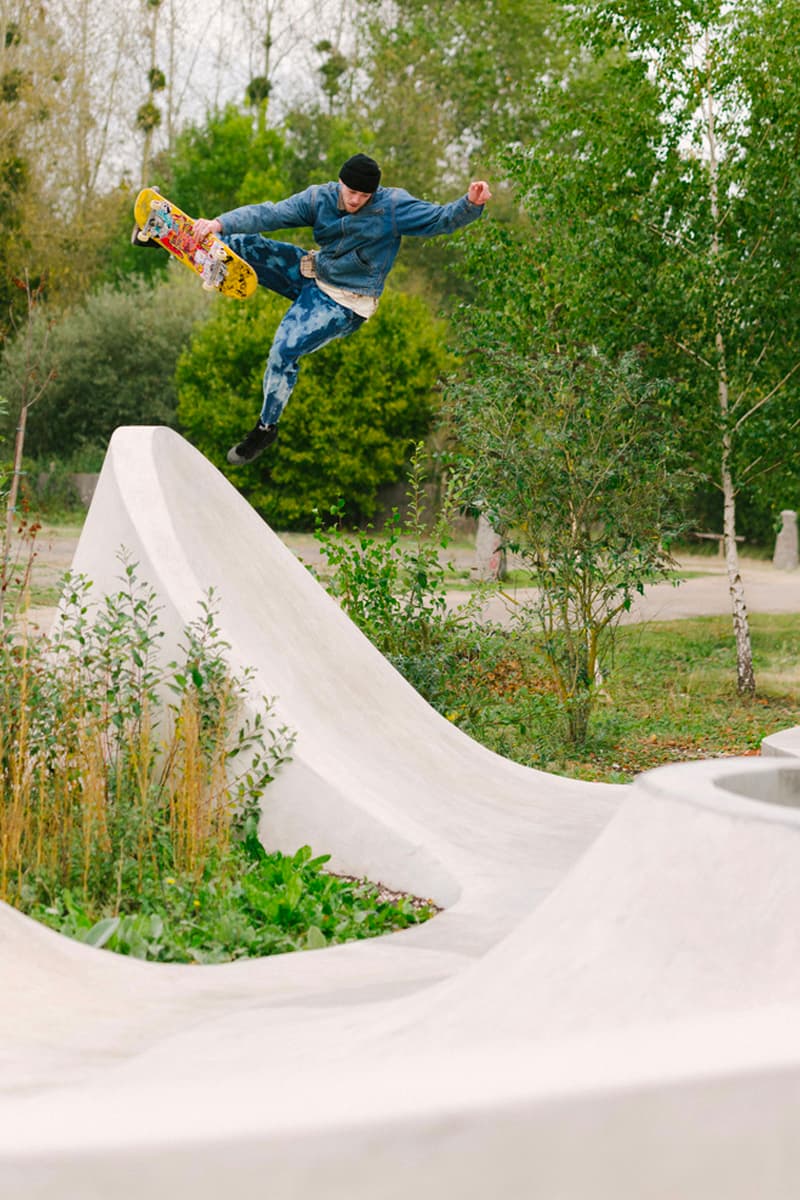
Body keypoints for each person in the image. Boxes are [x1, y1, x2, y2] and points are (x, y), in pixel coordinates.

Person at [190, 154, 492, 465]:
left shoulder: (391, 206)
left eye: (364, 196)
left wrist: (470, 204)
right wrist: (219, 222)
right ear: (340, 184)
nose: (356, 200)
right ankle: (181, 241)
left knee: (283, 350)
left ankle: (265, 428)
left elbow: (439, 220)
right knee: (244, 243)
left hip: (344, 304)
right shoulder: (318, 198)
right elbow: (271, 213)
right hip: (313, 273)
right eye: (351, 192)